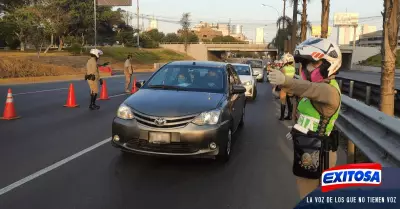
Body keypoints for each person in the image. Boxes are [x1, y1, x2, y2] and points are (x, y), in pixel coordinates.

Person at [268, 37, 342, 200]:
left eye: (312, 63)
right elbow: (304, 92)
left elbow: (309, 88)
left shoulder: (328, 91)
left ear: (328, 64)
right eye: (304, 64)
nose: (306, 69)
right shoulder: (316, 90)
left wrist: (286, 81)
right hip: (309, 149)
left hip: (319, 154)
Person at [278, 53, 296, 120]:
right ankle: (290, 116)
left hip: (284, 86)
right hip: (291, 86)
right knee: (289, 102)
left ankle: (282, 117)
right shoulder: (293, 69)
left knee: (283, 101)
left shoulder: (283, 69)